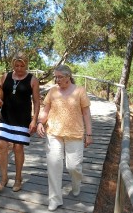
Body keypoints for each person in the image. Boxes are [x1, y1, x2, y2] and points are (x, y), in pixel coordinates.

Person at [36, 65, 92, 211]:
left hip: (75, 133)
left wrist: (89, 134)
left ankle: (76, 184)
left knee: (73, 166)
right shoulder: (53, 91)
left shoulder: (80, 91)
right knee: (54, 165)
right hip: (54, 133)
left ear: (68, 76)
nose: (57, 79)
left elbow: (86, 114)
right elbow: (46, 109)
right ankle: (54, 199)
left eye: (60, 77)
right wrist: (40, 122)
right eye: (56, 76)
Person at [0, 51, 40, 192]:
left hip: (22, 118)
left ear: (26, 64)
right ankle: (4, 178)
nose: (19, 68)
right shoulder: (6, 76)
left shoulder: (32, 80)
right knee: (2, 145)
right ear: (13, 64)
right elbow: (1, 93)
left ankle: (18, 178)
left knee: (18, 148)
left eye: (22, 65)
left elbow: (37, 102)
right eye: (17, 65)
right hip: (6, 116)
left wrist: (34, 120)